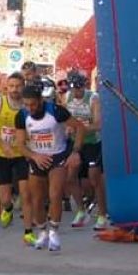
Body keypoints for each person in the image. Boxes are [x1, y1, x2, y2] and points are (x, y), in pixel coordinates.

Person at [14, 81, 85, 253]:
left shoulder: (56, 111)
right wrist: (34, 156)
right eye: (26, 104)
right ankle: (42, 231)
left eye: (33, 104)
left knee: (55, 194)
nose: (30, 108)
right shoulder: (22, 116)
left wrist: (75, 152)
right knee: (37, 199)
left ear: (40, 100)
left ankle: (54, 231)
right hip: (37, 158)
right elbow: (21, 144)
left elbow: (80, 127)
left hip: (57, 156)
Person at [0, 73, 28, 229]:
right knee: (5, 198)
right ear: (6, 87)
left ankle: (30, 225)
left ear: (23, 86)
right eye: (12, 86)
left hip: (23, 153)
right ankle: (7, 208)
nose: (15, 89)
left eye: (18, 86)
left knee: (26, 192)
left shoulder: (28, 105)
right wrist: (2, 144)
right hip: (2, 153)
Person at [63, 70, 107, 228]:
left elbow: (98, 124)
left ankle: (102, 214)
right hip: (76, 143)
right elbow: (65, 119)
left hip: (92, 143)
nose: (77, 92)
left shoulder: (93, 99)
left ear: (84, 86)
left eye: (79, 89)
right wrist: (68, 128)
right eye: (74, 89)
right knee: (69, 175)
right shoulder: (67, 97)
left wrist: (80, 127)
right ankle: (80, 210)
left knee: (95, 177)